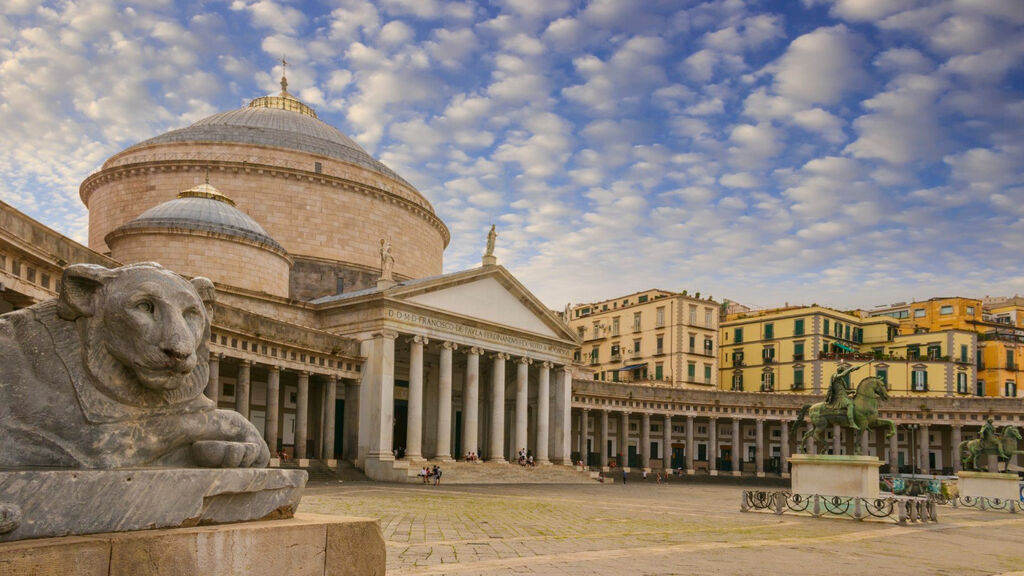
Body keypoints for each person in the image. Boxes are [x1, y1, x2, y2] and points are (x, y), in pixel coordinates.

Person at [826, 362, 868, 430]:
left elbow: (844, 391)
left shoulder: (842, 381)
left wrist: (851, 391)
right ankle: (852, 423)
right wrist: (851, 369)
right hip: (839, 397)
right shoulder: (835, 376)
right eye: (843, 371)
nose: (844, 375)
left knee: (855, 405)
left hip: (843, 396)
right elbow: (843, 374)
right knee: (850, 405)